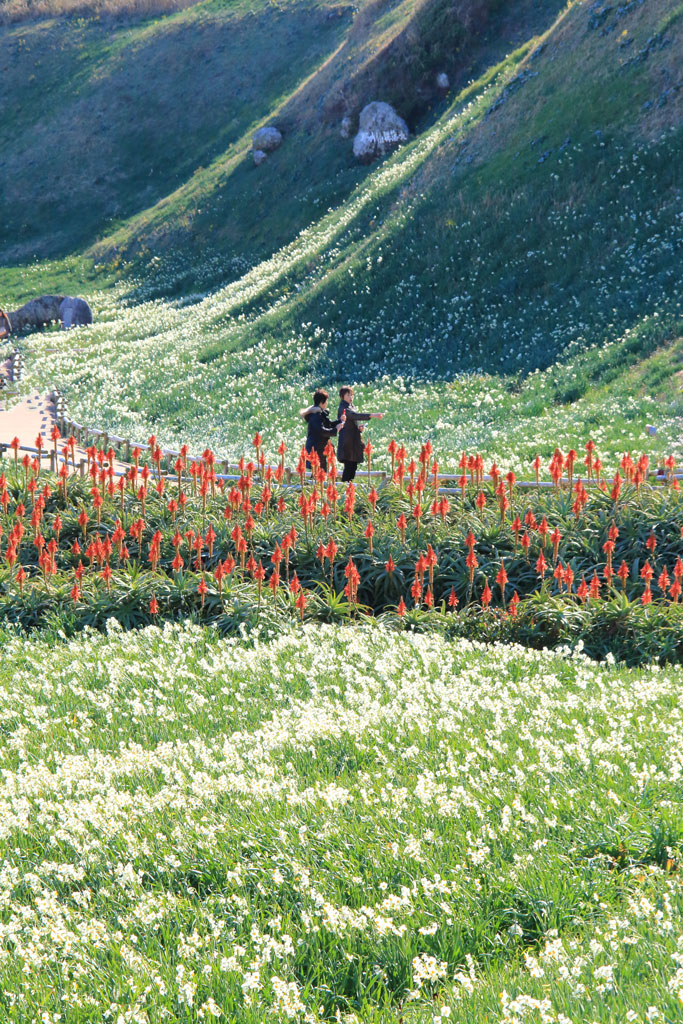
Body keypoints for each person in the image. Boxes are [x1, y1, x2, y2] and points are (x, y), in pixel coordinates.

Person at [336, 386, 383, 482]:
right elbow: (354, 416)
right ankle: (345, 488)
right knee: (349, 467)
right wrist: (372, 415)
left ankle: (349, 488)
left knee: (353, 467)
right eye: (348, 395)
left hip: (353, 442)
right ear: (342, 396)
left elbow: (352, 422)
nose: (351, 397)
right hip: (347, 442)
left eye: (352, 395)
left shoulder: (351, 406)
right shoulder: (343, 408)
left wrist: (358, 428)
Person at [298, 389, 342, 473]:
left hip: (320, 448)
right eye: (326, 401)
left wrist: (340, 421)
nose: (327, 403)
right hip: (316, 449)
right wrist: (336, 429)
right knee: (318, 475)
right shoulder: (316, 415)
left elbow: (328, 424)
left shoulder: (319, 413)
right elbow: (321, 431)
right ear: (322, 402)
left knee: (319, 474)